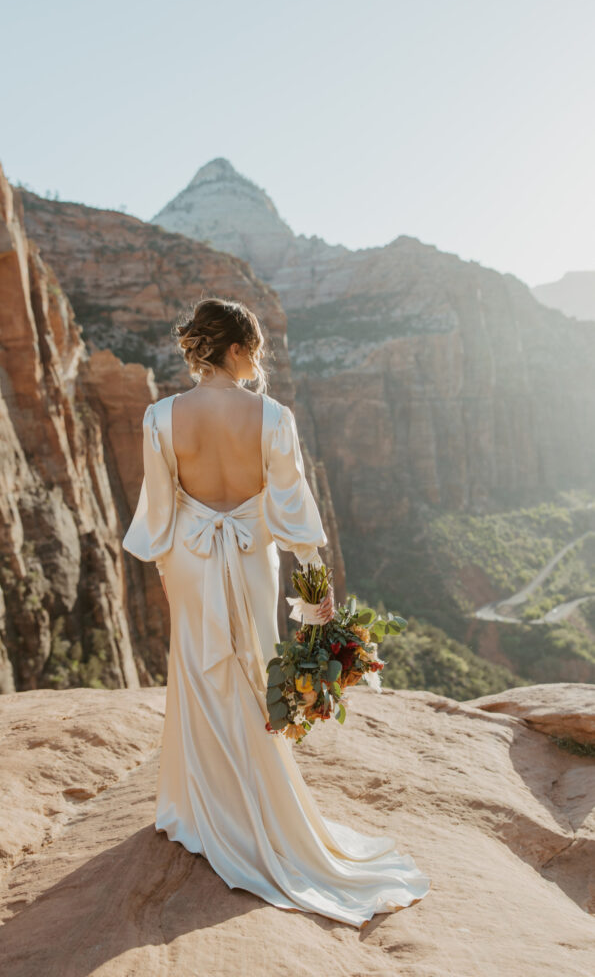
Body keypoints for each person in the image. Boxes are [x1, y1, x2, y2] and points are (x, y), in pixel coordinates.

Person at [123, 297, 431, 928]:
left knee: (199, 671)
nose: (256, 362)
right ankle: (264, 810)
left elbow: (157, 516)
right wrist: (320, 604)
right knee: (257, 670)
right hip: (251, 554)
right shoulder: (271, 416)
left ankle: (203, 811)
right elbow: (295, 518)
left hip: (188, 556)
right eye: (253, 350)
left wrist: (168, 576)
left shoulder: (160, 416)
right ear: (235, 349)